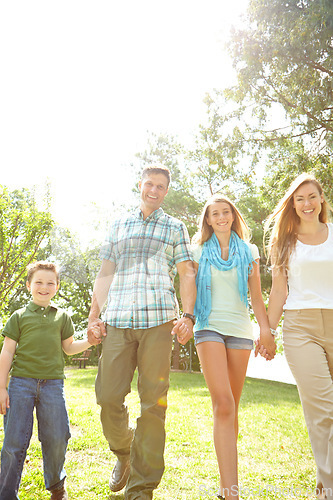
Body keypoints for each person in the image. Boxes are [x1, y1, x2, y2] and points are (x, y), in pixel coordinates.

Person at [87, 165, 196, 500]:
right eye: (150, 184)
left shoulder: (175, 227)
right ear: (140, 185)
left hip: (159, 321)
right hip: (118, 319)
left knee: (153, 405)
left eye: (161, 187)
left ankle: (142, 487)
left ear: (166, 191)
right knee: (107, 396)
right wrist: (94, 315)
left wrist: (188, 315)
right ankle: (124, 451)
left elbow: (186, 272)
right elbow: (105, 272)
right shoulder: (119, 224)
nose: (154, 190)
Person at [192, 194, 272, 500]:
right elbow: (189, 284)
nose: (222, 217)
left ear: (233, 216)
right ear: (208, 220)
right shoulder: (197, 249)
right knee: (223, 405)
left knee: (231, 411)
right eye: (215, 213)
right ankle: (231, 493)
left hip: (240, 329)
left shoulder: (249, 251)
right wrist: (185, 317)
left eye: (226, 212)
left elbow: (255, 296)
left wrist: (265, 330)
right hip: (208, 324)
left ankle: (226, 478)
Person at [260, 173, 333, 499]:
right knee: (323, 410)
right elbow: (279, 291)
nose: (307, 204)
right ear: (293, 203)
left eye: (312, 196)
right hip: (300, 327)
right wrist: (267, 332)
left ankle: (324, 483)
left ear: (321, 199)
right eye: (300, 198)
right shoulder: (284, 242)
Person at [0, 261, 93, 500]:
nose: (44, 287)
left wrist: (91, 341)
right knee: (14, 441)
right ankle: (6, 493)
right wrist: (2, 387)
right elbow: (7, 352)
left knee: (57, 436)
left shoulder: (62, 317)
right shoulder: (18, 316)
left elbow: (69, 347)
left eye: (50, 283)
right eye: (39, 282)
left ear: (57, 287)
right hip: (21, 383)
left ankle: (56, 487)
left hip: (52, 384)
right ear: (29, 285)